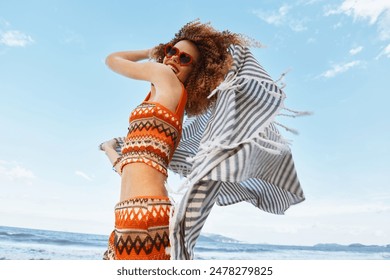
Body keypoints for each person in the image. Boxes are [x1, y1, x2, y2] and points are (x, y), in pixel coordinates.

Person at [100, 20, 247, 260]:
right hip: (132, 215)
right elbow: (137, 166)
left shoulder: (165, 77)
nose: (173, 59)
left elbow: (112, 60)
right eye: (171, 51)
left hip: (144, 214)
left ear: (196, 71)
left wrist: (152, 52)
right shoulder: (167, 110)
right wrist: (109, 149)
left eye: (184, 59)